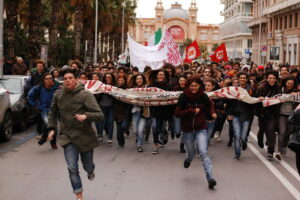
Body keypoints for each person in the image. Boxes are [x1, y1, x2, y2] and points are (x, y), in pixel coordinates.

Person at [47, 68, 104, 200]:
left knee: (87, 165)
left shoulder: (85, 95)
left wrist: (86, 116)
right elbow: (53, 113)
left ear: (76, 80)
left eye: (71, 78)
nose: (68, 80)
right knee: (72, 167)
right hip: (68, 137)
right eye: (65, 78)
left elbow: (100, 115)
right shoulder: (58, 96)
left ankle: (90, 171)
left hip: (85, 136)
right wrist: (52, 128)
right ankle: (79, 196)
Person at [175, 76, 217, 189]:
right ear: (189, 86)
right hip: (187, 130)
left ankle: (210, 178)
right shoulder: (183, 97)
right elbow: (177, 113)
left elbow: (210, 106)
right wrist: (191, 110)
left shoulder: (203, 96)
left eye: (196, 86)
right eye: (191, 86)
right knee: (192, 153)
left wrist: (213, 113)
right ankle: (188, 159)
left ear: (199, 86)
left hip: (200, 128)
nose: (193, 88)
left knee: (203, 151)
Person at [27, 72, 60, 148]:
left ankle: (51, 141)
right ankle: (46, 138)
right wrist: (35, 105)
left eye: (50, 78)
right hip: (44, 109)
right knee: (48, 123)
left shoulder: (57, 87)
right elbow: (29, 96)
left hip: (54, 110)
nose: (48, 80)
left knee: (52, 125)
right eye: (46, 79)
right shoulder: (38, 88)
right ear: (43, 80)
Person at [226, 72, 255, 159]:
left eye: (244, 78)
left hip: (246, 115)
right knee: (237, 135)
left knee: (243, 136)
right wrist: (229, 113)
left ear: (246, 79)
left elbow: (254, 101)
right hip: (236, 115)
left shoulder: (250, 90)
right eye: (241, 77)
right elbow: (229, 102)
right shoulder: (234, 89)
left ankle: (244, 141)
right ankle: (237, 153)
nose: (242, 79)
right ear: (238, 79)